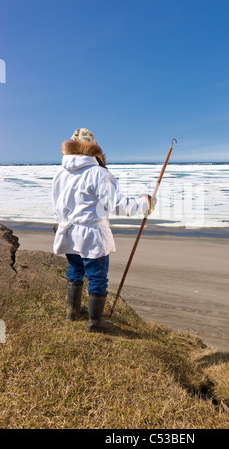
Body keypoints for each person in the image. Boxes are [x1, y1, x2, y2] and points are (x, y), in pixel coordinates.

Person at [52, 128, 156, 333]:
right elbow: (117, 205)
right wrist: (144, 204)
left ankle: (72, 310)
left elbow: (57, 204)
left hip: (68, 232)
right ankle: (95, 322)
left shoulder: (60, 172)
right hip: (90, 235)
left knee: (75, 270)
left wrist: (59, 223)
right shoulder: (99, 173)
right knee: (97, 276)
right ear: (94, 149)